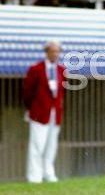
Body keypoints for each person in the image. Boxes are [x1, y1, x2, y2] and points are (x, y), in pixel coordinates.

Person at [23, 41, 66, 183]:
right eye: (52, 51)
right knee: (37, 145)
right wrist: (32, 108)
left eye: (57, 51)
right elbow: (27, 92)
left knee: (51, 145)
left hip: (55, 113)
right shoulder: (35, 69)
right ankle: (34, 176)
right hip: (39, 113)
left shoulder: (61, 70)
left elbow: (61, 92)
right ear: (46, 52)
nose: (55, 54)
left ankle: (49, 173)